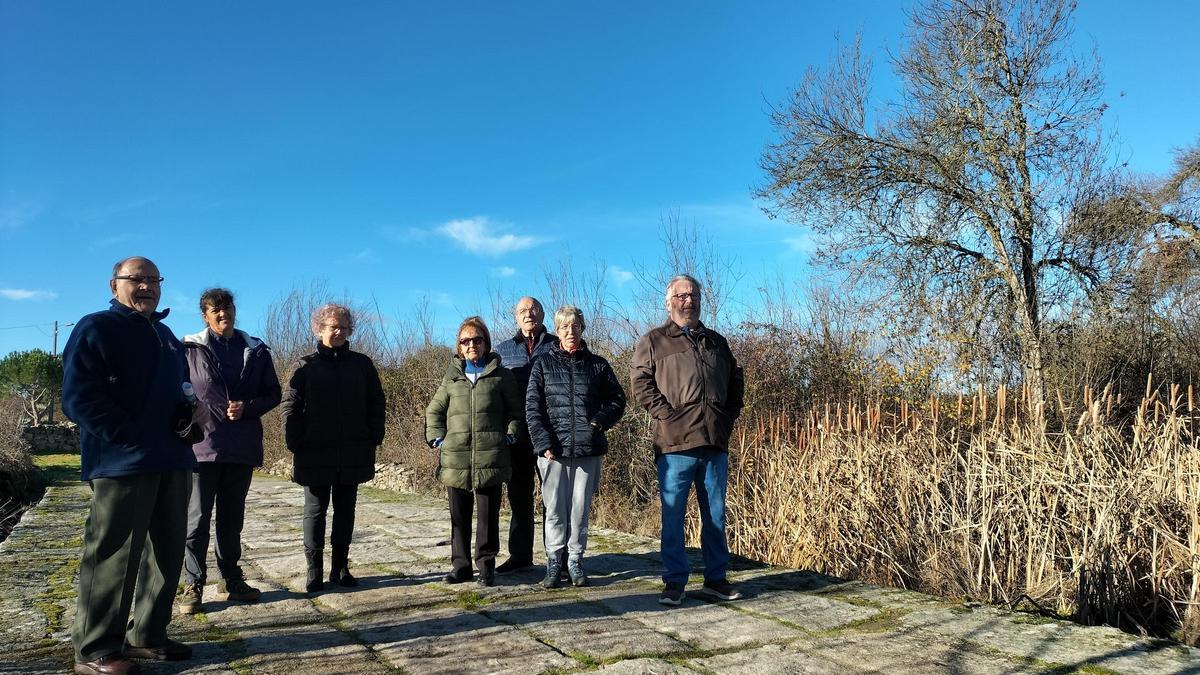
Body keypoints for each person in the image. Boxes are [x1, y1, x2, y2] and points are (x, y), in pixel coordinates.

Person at [62, 256, 198, 675]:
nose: (146, 286)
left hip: (173, 459)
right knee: (114, 556)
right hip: (122, 463)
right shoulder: (97, 328)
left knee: (168, 551)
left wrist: (191, 416)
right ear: (114, 284)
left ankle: (147, 635)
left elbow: (179, 391)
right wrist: (129, 437)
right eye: (136, 279)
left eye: (153, 280)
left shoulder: (167, 335)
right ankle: (97, 648)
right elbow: (79, 398)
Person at [630, 274, 745, 607]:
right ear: (669, 302)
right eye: (681, 296)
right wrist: (668, 415)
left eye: (693, 295)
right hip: (674, 445)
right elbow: (640, 384)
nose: (688, 300)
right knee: (673, 515)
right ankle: (675, 581)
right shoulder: (654, 340)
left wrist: (726, 417)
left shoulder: (716, 342)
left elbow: (736, 382)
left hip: (713, 443)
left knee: (716, 515)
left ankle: (715, 579)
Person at [178, 288, 281, 614]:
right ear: (205, 316)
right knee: (196, 518)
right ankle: (192, 583)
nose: (224, 315)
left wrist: (248, 407)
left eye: (228, 308)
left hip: (242, 445)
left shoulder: (257, 349)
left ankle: (230, 579)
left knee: (231, 518)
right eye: (215, 311)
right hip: (201, 447)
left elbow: (274, 393)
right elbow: (176, 390)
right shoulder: (188, 349)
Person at [281, 303, 385, 594]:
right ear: (319, 329)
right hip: (314, 450)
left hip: (353, 449)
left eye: (343, 327)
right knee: (315, 512)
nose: (338, 331)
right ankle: (314, 571)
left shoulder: (362, 364)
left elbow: (376, 401)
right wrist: (295, 441)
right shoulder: (305, 366)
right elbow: (290, 406)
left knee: (345, 511)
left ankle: (340, 567)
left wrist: (373, 435)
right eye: (332, 326)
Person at [526, 305, 625, 588]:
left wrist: (597, 424)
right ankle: (554, 561)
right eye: (564, 327)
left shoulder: (598, 365)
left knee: (580, 510)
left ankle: (575, 560)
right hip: (552, 452)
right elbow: (532, 407)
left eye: (575, 326)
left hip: (587, 450)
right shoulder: (543, 364)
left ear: (582, 329)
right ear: (557, 331)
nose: (570, 332)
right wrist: (542, 442)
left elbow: (618, 400)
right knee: (555, 510)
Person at [425, 316, 523, 587]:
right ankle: (461, 567)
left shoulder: (502, 376)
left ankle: (486, 565)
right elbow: (434, 410)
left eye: (477, 340)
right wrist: (437, 438)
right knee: (458, 517)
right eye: (465, 341)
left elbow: (516, 412)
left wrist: (511, 435)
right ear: (459, 346)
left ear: (486, 343)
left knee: (488, 517)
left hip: (490, 456)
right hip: (456, 457)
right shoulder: (452, 377)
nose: (471, 345)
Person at [492, 296, 558, 574]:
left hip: (550, 432)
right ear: (515, 317)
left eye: (533, 309)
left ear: (543, 314)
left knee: (553, 498)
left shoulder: (557, 345)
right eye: (522, 311)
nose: (528, 314)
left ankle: (556, 556)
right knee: (518, 496)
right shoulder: (502, 351)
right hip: (517, 434)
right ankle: (520, 555)